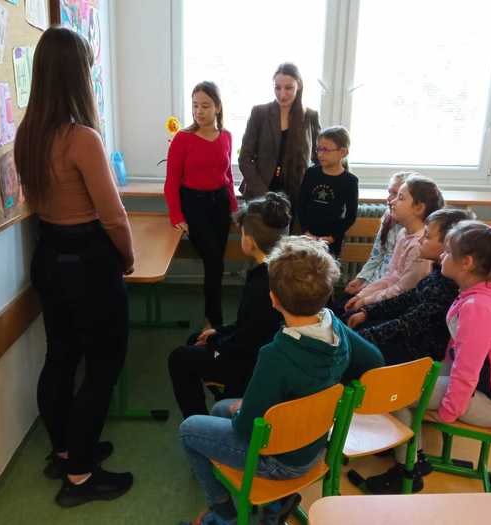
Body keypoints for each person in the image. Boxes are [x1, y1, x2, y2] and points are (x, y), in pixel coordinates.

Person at [178, 237, 384, 525]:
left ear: (273, 299)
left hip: (280, 461)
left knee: (189, 430)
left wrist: (243, 409)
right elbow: (374, 361)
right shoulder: (334, 324)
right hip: (315, 446)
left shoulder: (276, 355)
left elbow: (246, 427)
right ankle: (276, 505)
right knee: (220, 408)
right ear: (326, 294)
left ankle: (222, 513)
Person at [14, 27, 134, 507]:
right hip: (88, 262)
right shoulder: (82, 138)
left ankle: (65, 451)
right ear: (78, 75)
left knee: (60, 356)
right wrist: (127, 258)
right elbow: (113, 216)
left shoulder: (29, 135)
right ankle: (81, 476)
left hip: (49, 256)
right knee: (104, 364)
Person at [361, 219, 491, 495]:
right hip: (487, 392)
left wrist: (449, 412)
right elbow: (458, 355)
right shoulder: (486, 291)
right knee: (402, 378)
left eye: (448, 252)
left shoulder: (479, 307)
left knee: (394, 392)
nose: (442, 256)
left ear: (467, 263)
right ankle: (406, 446)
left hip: (490, 403)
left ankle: (409, 468)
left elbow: (467, 370)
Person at [168, 192, 291, 419]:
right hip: (253, 350)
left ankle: (200, 422)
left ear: (249, 241)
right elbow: (251, 326)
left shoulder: (261, 284)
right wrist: (220, 331)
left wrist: (216, 341)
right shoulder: (279, 268)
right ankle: (224, 395)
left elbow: (245, 343)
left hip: (246, 363)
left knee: (179, 358)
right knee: (196, 339)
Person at [346, 208, 474, 365]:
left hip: (416, 355)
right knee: (353, 322)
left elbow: (408, 325)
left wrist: (364, 336)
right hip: (407, 339)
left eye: (427, 236)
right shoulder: (437, 274)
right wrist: (367, 312)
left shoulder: (446, 290)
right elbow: (408, 298)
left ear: (447, 244)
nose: (420, 240)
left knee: (355, 347)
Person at [164, 81, 238, 328]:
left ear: (218, 107)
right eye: (195, 105)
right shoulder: (182, 139)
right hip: (194, 205)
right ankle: (214, 321)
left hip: (220, 205)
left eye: (205, 106)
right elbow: (171, 182)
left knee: (216, 263)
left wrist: (234, 208)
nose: (199, 111)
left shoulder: (226, 136)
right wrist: (177, 216)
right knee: (214, 261)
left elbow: (228, 176)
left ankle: (211, 319)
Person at [344, 174, 443, 311]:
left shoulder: (418, 245)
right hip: (388, 299)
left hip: (402, 307)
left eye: (400, 198)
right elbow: (391, 277)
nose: (392, 201)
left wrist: (366, 302)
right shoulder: (403, 233)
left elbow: (402, 291)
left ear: (419, 208)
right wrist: (361, 296)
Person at [238, 63, 321, 211]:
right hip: (260, 194)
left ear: (299, 86)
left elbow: (319, 158)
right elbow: (244, 158)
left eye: (288, 88)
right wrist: (264, 194)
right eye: (277, 88)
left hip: (296, 196)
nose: (282, 94)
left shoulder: (310, 116)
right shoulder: (259, 113)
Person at [298, 126, 358, 257]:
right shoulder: (311, 173)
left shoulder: (350, 181)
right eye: (318, 149)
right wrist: (306, 231)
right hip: (307, 238)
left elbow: (351, 216)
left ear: (343, 152)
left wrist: (333, 237)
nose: (320, 154)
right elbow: (301, 204)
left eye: (325, 150)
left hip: (331, 241)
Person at [345, 172, 409, 292]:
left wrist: (368, 294)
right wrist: (361, 279)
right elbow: (376, 255)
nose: (389, 199)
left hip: (392, 289)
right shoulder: (388, 216)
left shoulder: (415, 234)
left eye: (396, 194)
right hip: (375, 280)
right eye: (389, 192)